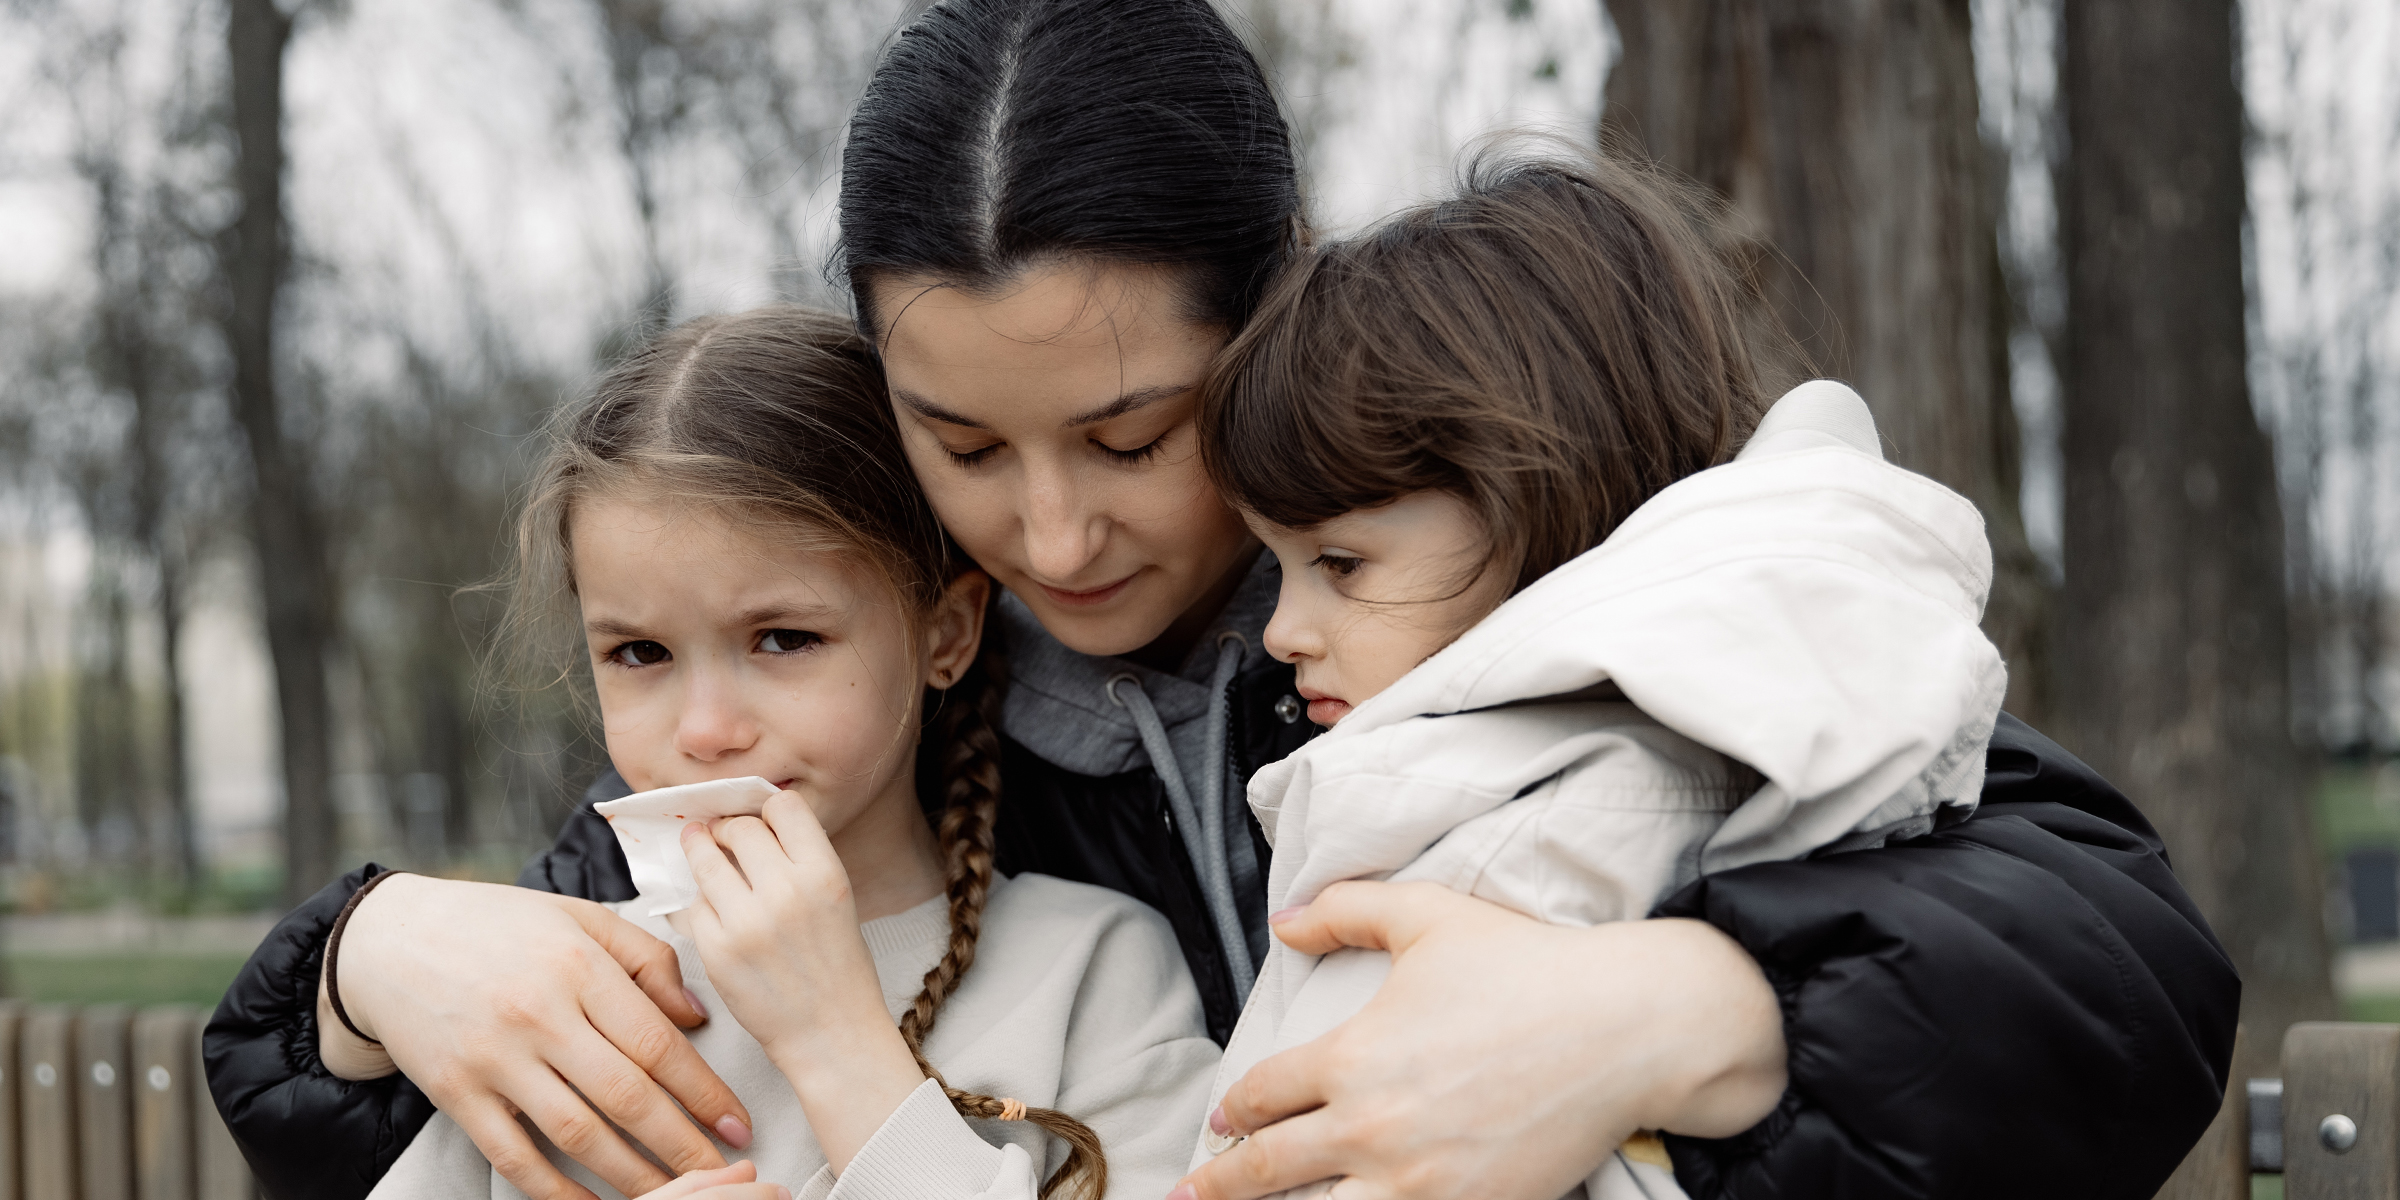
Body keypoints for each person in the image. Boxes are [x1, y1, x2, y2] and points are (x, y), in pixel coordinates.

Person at [205, 1, 2239, 1198]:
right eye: (962, 446)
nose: (1053, 534)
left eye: (1129, 432)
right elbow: (586, 1056)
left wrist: (1673, 1019)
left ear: (1269, 314)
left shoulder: (1504, 607)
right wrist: (371, 971)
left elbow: (2111, 971)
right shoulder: (887, 704)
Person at [1188, 152, 2011, 1200]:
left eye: (1341, 565)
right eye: (1280, 567)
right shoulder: (1758, 723)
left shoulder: (1504, 833)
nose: (1284, 632)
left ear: (1539, 500)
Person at [365, 305, 1219, 1200]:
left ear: (947, 633)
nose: (704, 729)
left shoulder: (1095, 970)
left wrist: (834, 1041)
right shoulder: (555, 990)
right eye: (640, 654)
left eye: (781, 638)